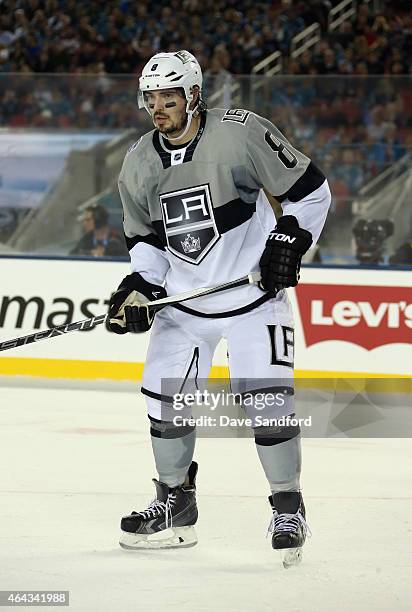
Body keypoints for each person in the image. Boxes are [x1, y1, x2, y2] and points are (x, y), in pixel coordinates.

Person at [107, 50, 331, 564]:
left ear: (194, 95)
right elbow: (146, 240)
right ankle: (175, 504)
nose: (159, 106)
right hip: (185, 307)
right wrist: (140, 286)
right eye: (151, 98)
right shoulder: (140, 159)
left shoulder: (241, 133)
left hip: (254, 297)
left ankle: (288, 506)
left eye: (170, 96)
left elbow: (312, 194)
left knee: (269, 406)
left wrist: (288, 242)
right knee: (165, 407)